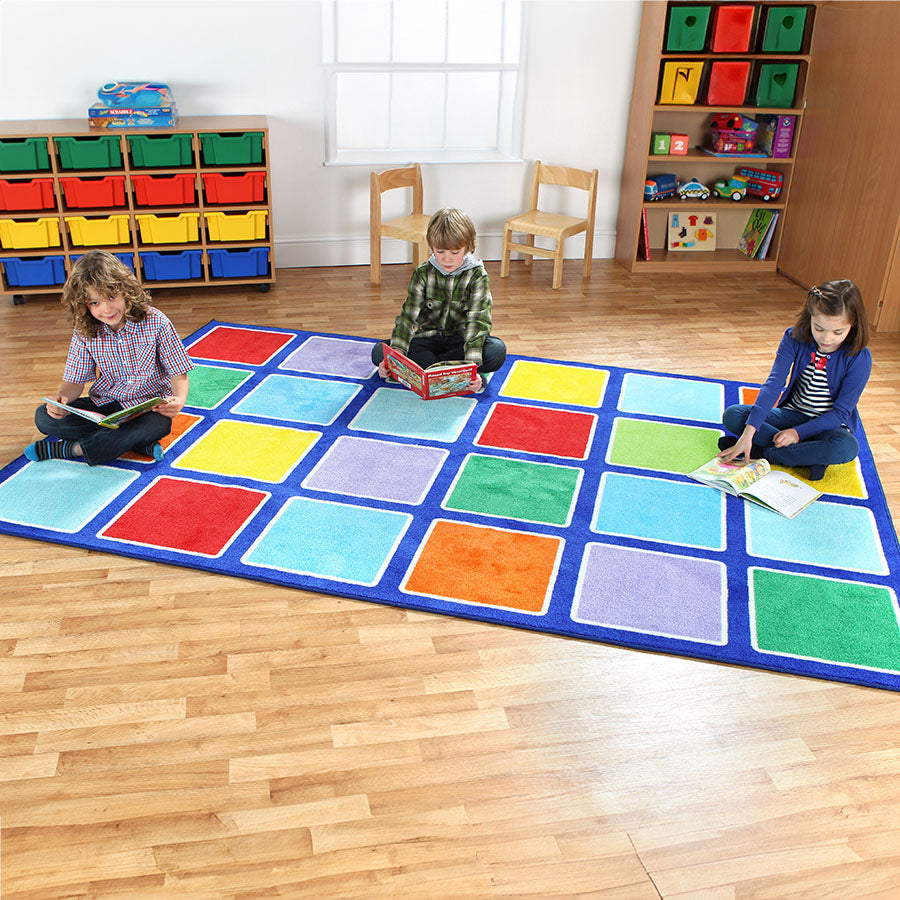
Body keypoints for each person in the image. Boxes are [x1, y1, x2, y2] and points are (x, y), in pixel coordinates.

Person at [25, 249, 193, 466]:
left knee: (158, 426)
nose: (106, 309)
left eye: (111, 297)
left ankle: (70, 449)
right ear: (83, 305)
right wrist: (61, 401)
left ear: (126, 290)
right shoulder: (85, 331)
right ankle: (135, 443)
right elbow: (74, 382)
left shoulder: (156, 321)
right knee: (44, 417)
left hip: (147, 408)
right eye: (94, 303)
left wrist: (179, 400)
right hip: (106, 405)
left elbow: (179, 372)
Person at [717, 279, 871, 481]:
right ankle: (809, 455)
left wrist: (797, 433)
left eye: (837, 332)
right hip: (792, 414)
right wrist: (748, 433)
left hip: (829, 426)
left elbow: (840, 413)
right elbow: (774, 385)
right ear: (810, 317)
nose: (827, 338)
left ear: (853, 325)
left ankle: (762, 452)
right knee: (734, 415)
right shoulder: (793, 337)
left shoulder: (859, 358)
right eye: (819, 328)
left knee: (847, 447)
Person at [371, 208, 506, 392]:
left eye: (455, 252)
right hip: (428, 340)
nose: (446, 259)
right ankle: (447, 373)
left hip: (461, 343)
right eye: (440, 251)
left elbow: (478, 323)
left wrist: (472, 367)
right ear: (432, 246)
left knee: (496, 350)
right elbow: (408, 318)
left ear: (468, 247)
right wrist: (397, 354)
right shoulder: (422, 273)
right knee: (379, 351)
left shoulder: (478, 276)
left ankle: (432, 370)